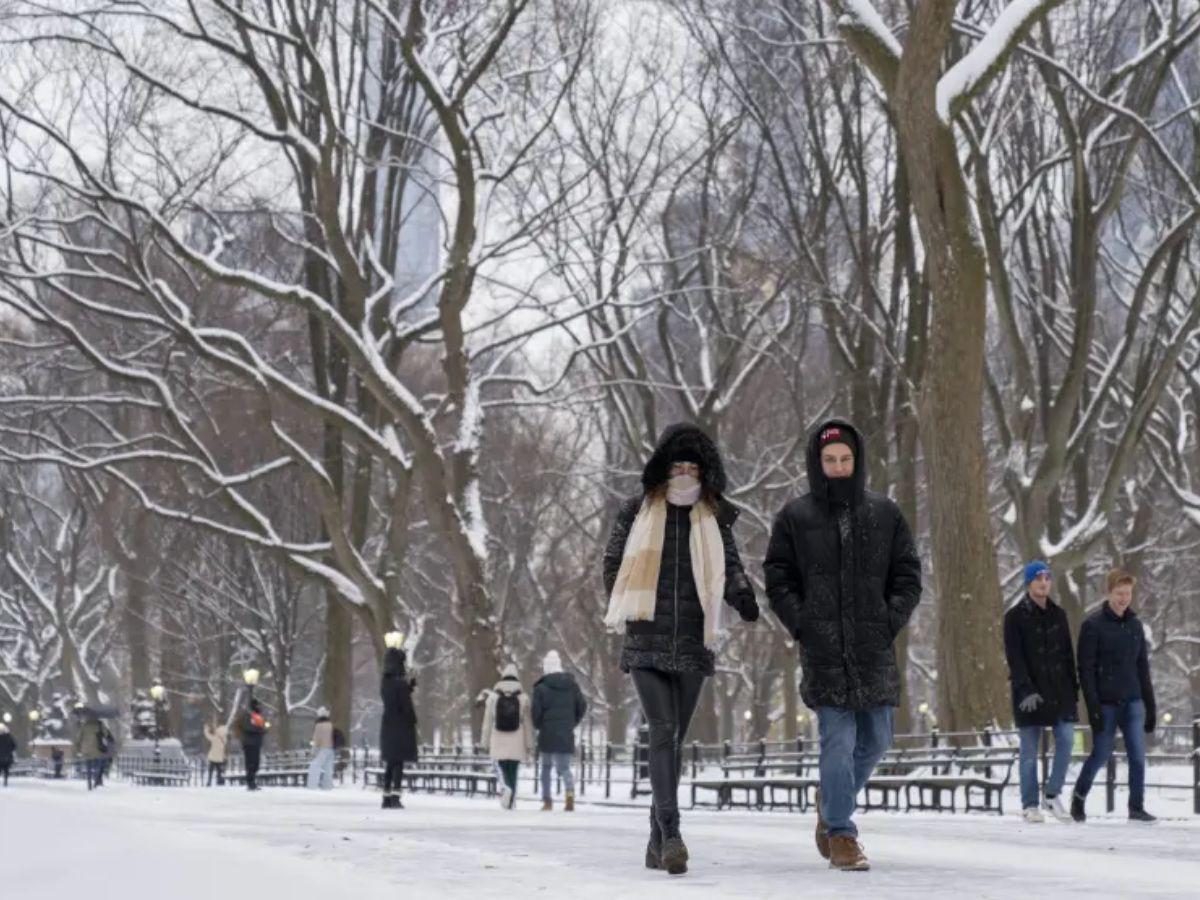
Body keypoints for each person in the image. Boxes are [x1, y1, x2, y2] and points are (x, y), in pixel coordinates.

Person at [764, 419, 921, 872]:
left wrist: (889, 620)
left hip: (873, 648)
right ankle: (841, 833)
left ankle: (831, 800)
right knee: (838, 739)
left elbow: (908, 574)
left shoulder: (884, 513)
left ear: (857, 461)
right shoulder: (795, 517)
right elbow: (778, 578)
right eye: (829, 460)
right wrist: (804, 624)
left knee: (877, 738)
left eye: (845, 459)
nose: (837, 467)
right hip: (824, 649)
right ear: (818, 463)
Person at [603, 423, 759, 875]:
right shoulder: (637, 511)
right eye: (678, 465)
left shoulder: (713, 515)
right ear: (664, 467)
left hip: (693, 640)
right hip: (647, 639)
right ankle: (672, 832)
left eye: (693, 466)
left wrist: (742, 595)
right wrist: (626, 596)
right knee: (663, 731)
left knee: (674, 740)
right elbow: (613, 561)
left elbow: (730, 566)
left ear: (705, 470)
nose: (685, 473)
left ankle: (656, 842)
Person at [1071, 568, 1157, 823]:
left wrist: (1150, 705)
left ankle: (1136, 807)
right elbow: (1085, 670)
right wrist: (1093, 707)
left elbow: (1142, 666)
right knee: (1100, 754)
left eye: (1128, 593)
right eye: (1119, 593)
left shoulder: (1135, 625)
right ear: (1109, 593)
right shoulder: (1093, 625)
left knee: (1138, 756)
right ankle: (1079, 796)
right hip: (1105, 703)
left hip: (1132, 701)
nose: (1124, 598)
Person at [1003, 560, 1078, 823]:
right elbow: (1015, 657)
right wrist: (1025, 689)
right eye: (1038, 578)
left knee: (1067, 740)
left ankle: (1052, 793)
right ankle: (1029, 803)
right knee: (1029, 750)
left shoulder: (1059, 615)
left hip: (1059, 692)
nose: (1043, 582)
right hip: (1029, 693)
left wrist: (1073, 691)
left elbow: (1068, 655)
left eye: (1047, 578)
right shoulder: (1014, 617)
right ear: (1029, 582)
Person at [532, 649, 587, 811]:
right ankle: (569, 796)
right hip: (565, 731)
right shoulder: (572, 685)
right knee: (564, 768)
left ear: (546, 668)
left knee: (546, 768)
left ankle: (547, 801)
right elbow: (582, 705)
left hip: (547, 732)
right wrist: (572, 722)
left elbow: (535, 712)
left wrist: (539, 725)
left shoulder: (541, 688)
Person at [481, 662, 534, 810]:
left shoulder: (493, 697)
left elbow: (487, 722)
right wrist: (530, 744)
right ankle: (512, 799)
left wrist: (484, 742)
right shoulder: (523, 698)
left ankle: (506, 790)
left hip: (499, 738)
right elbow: (528, 723)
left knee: (502, 769)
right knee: (513, 770)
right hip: (517, 739)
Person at [380, 646, 418, 809]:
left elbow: (394, 697)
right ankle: (396, 795)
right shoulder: (400, 684)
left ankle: (386, 796)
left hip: (388, 724)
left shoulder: (385, 682)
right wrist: (413, 720)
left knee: (390, 762)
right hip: (401, 726)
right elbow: (406, 706)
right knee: (398, 763)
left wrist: (408, 687)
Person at [237, 698, 266, 791]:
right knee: (251, 763)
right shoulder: (248, 716)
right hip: (249, 743)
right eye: (257, 705)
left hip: (256, 743)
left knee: (256, 763)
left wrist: (264, 729)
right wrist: (259, 730)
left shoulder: (258, 716)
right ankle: (250, 782)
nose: (259, 707)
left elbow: (262, 727)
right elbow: (247, 727)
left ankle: (252, 780)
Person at [73, 709, 106, 790]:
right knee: (99, 764)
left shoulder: (84, 726)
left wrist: (77, 748)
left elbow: (78, 738)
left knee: (88, 765)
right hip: (97, 748)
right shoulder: (99, 725)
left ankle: (89, 783)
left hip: (86, 749)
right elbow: (106, 734)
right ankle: (96, 780)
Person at [306, 707, 335, 790]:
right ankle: (327, 786)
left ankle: (312, 785)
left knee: (314, 766)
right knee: (328, 768)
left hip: (323, 748)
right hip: (331, 749)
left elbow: (316, 739)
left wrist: (313, 751)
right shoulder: (331, 724)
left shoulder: (319, 725)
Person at [204, 716, 229, 786]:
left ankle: (209, 781)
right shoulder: (224, 739)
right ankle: (220, 781)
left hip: (213, 757)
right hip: (220, 757)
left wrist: (206, 729)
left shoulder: (215, 738)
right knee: (219, 770)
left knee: (210, 770)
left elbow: (208, 736)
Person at [0, 722, 15, 786]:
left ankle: (5, 781)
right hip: (7, 757)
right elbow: (14, 746)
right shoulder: (9, 737)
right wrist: (9, 751)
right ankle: (5, 781)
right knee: (6, 769)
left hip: (2, 756)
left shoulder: (8, 737)